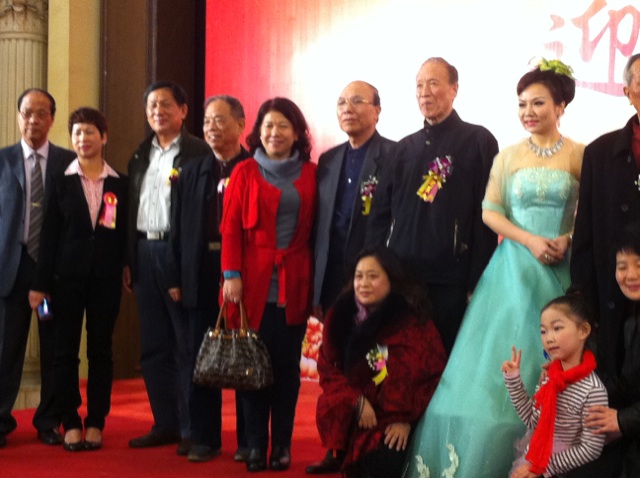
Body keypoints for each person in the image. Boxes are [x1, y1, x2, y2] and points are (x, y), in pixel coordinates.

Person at [404, 59, 583, 478]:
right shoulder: (508, 156)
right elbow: (490, 212)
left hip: (563, 267)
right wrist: (530, 240)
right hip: (512, 271)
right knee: (491, 365)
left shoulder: (580, 154)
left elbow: (591, 209)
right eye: (522, 104)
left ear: (560, 106)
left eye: (538, 103)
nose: (528, 112)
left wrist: (568, 238)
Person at [366, 57, 498, 354]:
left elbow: (486, 217)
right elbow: (380, 215)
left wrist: (478, 280)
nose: (424, 92)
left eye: (433, 83)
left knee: (446, 360)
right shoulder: (403, 148)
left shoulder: (478, 141)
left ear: (454, 89)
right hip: (402, 277)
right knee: (402, 361)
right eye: (419, 85)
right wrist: (376, 270)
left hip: (450, 279)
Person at [220, 97, 316, 472]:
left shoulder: (312, 173)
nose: (275, 133)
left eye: (283, 126)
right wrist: (231, 275)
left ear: (297, 133)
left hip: (295, 281)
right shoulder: (244, 172)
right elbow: (230, 228)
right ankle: (256, 445)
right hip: (251, 284)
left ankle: (283, 446)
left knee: (287, 370)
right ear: (258, 132)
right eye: (268, 126)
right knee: (251, 369)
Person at [28, 107, 127, 451]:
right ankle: (69, 420)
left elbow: (122, 233)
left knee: (101, 350)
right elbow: (48, 236)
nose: (83, 139)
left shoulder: (119, 182)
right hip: (64, 280)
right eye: (77, 133)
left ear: (104, 137)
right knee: (64, 352)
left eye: (89, 132)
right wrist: (40, 284)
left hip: (105, 280)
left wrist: (127, 267)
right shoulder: (60, 180)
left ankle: (96, 420)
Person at [124, 81, 211, 453]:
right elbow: (130, 210)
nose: (157, 111)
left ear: (183, 110)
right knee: (154, 346)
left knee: (186, 345)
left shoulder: (198, 153)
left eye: (165, 104)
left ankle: (193, 429)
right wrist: (129, 259)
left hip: (180, 254)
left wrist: (185, 265)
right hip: (145, 251)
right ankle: (165, 424)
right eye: (151, 106)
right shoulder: (140, 154)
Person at [308, 246, 445, 478]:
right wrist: (356, 400)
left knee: (383, 460)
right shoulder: (340, 315)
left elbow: (429, 376)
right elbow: (328, 369)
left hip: (397, 416)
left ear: (392, 279)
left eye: (373, 277)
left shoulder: (411, 322)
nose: (364, 284)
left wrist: (405, 421)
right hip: (360, 410)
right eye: (359, 276)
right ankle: (340, 452)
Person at [167, 95, 250, 462]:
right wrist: (175, 277)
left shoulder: (254, 168)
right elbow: (177, 229)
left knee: (245, 354)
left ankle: (249, 440)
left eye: (220, 120)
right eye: (206, 122)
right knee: (202, 354)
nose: (211, 128)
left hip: (244, 272)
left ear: (241, 124)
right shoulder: (191, 171)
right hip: (199, 270)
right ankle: (204, 437)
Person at [0, 88, 75, 448]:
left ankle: (48, 420)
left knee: (53, 349)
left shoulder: (68, 162)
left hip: (52, 276)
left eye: (41, 113)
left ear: (52, 119)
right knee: (6, 349)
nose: (33, 120)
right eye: (27, 113)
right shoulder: (3, 160)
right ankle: (1, 421)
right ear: (18, 117)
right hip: (11, 274)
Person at [571, 53, 640, 414]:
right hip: (614, 286)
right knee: (613, 370)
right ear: (628, 93)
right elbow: (584, 231)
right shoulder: (598, 153)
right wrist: (583, 294)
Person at [313, 81, 396, 316]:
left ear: (377, 111)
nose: (347, 108)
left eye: (357, 101)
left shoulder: (395, 155)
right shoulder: (328, 160)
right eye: (341, 102)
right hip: (331, 274)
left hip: (373, 273)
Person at [502, 294, 608, 478]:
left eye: (557, 328)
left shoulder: (593, 390)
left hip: (565, 470)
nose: (549, 338)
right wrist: (513, 379)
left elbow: (591, 448)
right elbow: (532, 420)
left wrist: (543, 467)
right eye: (543, 331)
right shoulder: (549, 377)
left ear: (583, 331)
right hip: (536, 458)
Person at [573, 223, 640, 477]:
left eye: (639, 265)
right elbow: (628, 382)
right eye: (622, 267)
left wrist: (621, 420)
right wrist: (575, 379)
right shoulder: (631, 319)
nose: (630, 275)